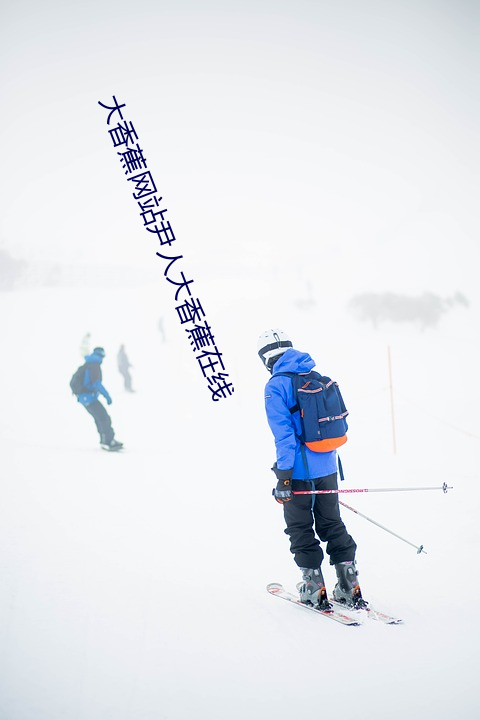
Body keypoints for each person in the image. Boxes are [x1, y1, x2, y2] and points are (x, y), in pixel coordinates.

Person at [258, 328, 366, 610]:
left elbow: (284, 437)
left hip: (298, 472)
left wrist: (284, 478)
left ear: (266, 358)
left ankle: (313, 587)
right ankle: (349, 585)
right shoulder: (316, 377)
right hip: (328, 466)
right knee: (331, 523)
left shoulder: (275, 386)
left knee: (300, 527)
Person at [76, 346, 123, 451]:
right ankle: (108, 441)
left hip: (85, 398)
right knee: (104, 418)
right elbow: (96, 383)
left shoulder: (89, 363)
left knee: (100, 418)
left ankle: (104, 440)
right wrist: (107, 396)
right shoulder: (94, 365)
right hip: (89, 398)